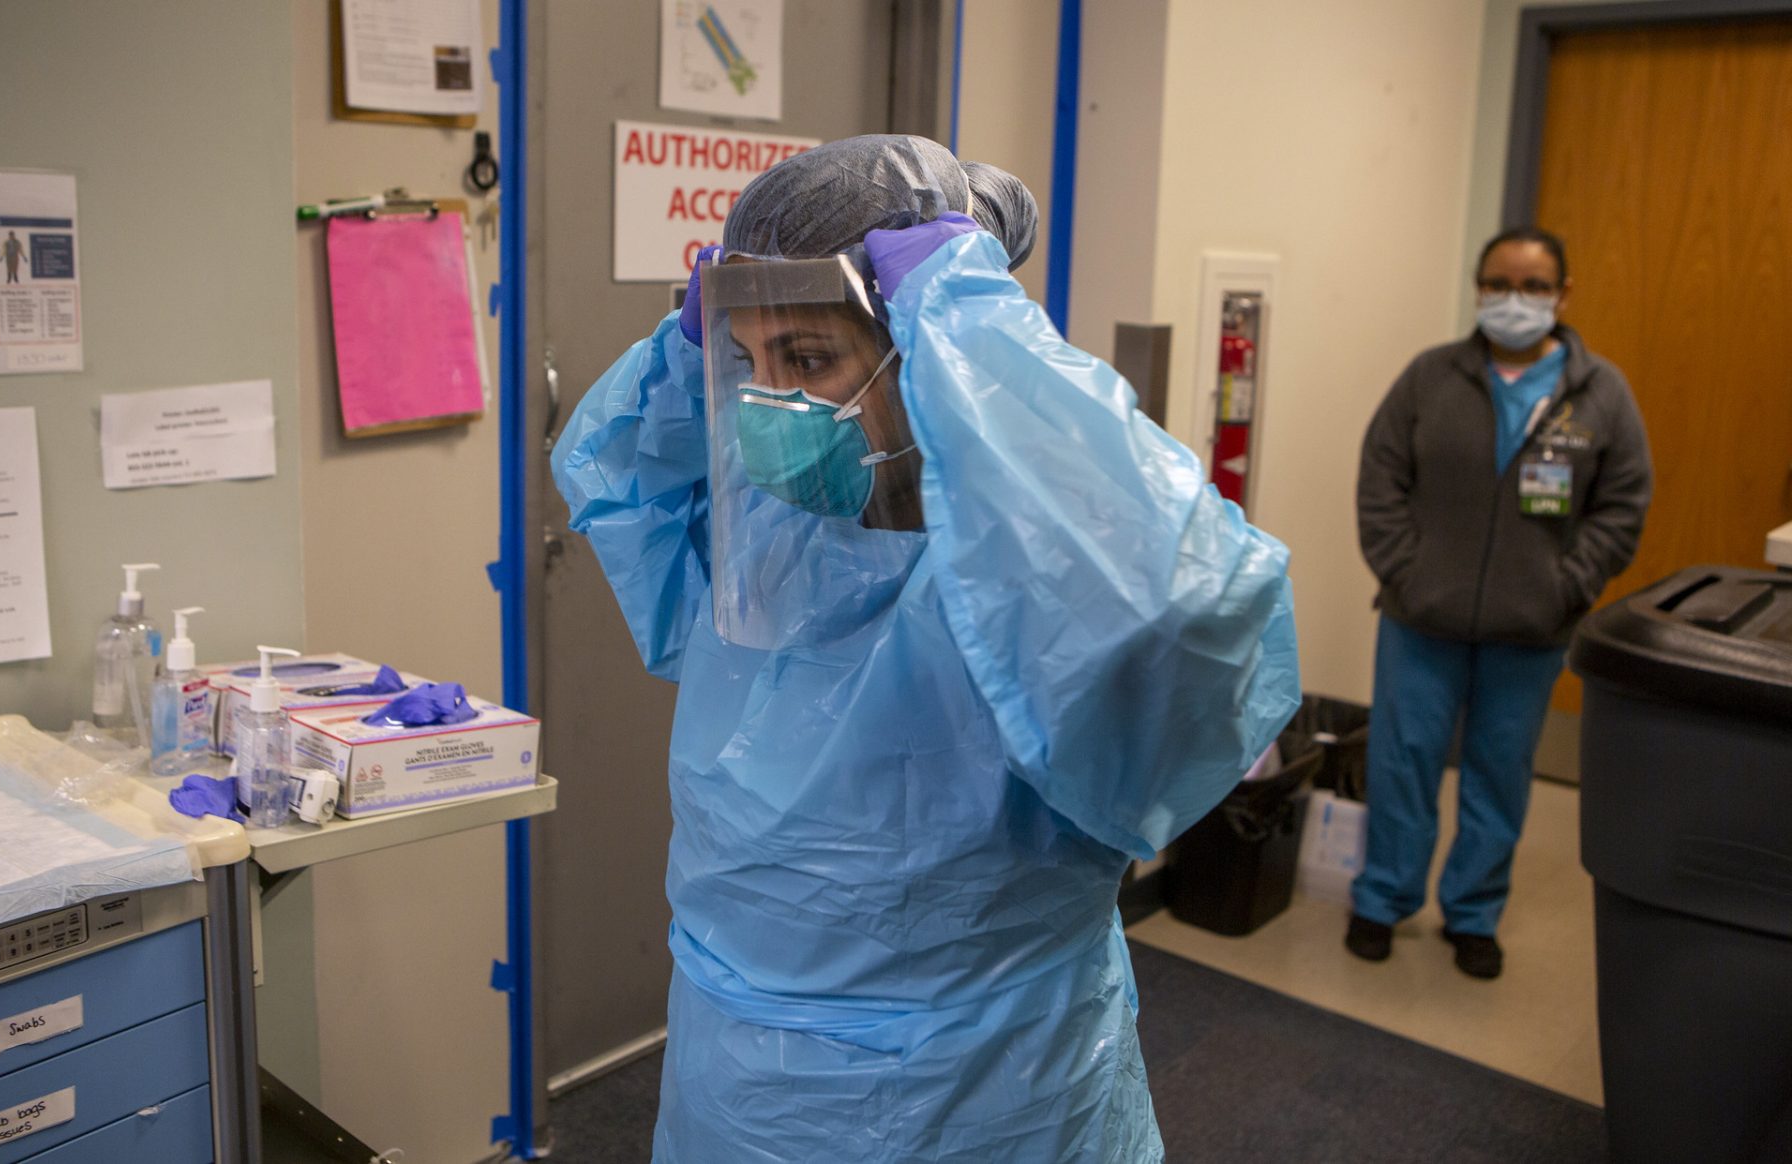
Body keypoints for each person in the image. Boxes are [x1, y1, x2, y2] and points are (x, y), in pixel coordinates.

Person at [553, 135, 1300, 1162]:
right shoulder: (766, 545)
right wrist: (684, 358)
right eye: (747, 362)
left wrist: (971, 316)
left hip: (988, 1097)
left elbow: (1197, 607)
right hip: (744, 1087)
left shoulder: (1036, 573)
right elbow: (613, 476)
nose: (771, 402)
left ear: (927, 350)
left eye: (808, 357)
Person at [1349, 226, 1651, 979]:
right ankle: (1382, 899)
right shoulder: (1431, 377)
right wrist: (1405, 571)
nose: (1515, 301)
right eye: (1499, 284)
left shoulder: (1600, 393)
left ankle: (1474, 914)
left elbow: (1622, 506)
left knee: (1499, 773)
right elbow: (1381, 478)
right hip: (1421, 619)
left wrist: (1566, 585)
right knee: (1402, 765)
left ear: (1563, 294)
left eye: (1534, 286)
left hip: (1531, 628)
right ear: (1479, 289)